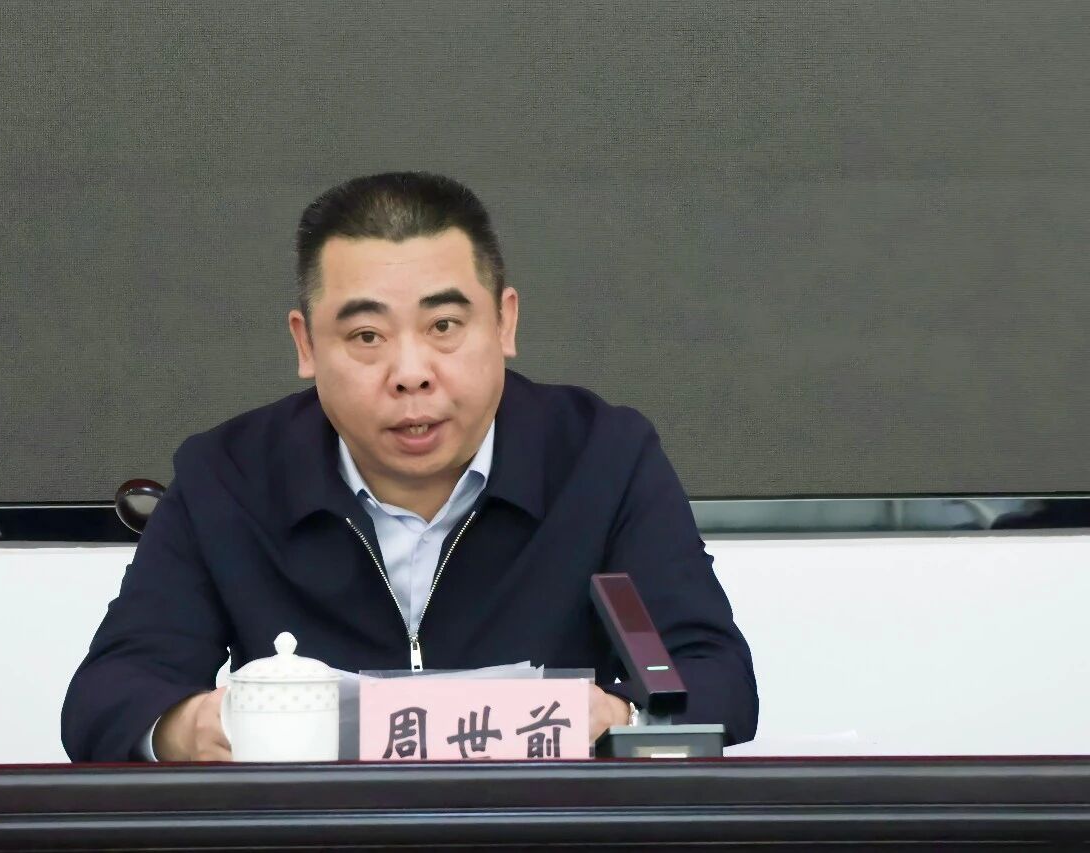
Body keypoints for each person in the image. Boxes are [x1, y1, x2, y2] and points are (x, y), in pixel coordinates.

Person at [61, 172, 757, 762]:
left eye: (443, 326)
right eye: (366, 335)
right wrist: (189, 728)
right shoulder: (229, 475)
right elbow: (108, 696)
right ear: (306, 344)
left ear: (505, 323)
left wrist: (620, 719)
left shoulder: (603, 455)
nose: (410, 373)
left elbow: (715, 678)